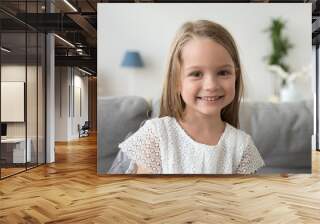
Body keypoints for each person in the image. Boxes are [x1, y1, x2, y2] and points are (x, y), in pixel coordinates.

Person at [109, 20, 265, 174]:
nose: (211, 85)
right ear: (176, 80)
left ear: (235, 77)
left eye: (223, 72)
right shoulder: (156, 135)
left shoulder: (243, 146)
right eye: (196, 74)